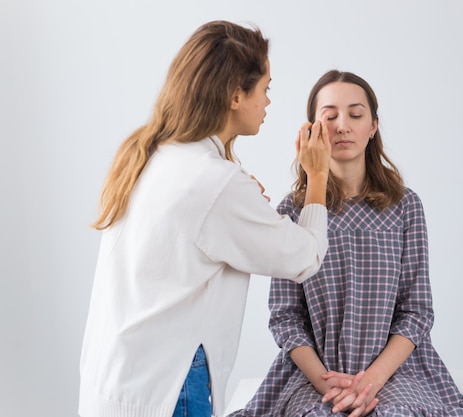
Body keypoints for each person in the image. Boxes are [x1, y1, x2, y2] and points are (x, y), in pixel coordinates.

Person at [78, 21, 332, 417]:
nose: (268, 102)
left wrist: (239, 199)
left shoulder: (149, 155)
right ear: (235, 95)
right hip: (169, 388)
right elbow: (305, 258)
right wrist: (317, 176)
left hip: (111, 382)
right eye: (265, 88)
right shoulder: (215, 182)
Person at [227, 70, 463, 417]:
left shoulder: (405, 206)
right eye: (330, 116)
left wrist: (369, 381)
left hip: (396, 371)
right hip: (315, 374)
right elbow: (286, 318)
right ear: (312, 130)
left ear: (373, 127)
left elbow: (416, 312)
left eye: (356, 115)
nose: (342, 125)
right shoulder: (293, 212)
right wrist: (331, 386)